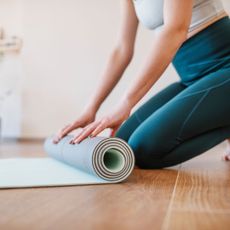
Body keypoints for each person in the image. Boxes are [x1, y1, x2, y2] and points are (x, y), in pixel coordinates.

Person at [53, 0, 230, 169]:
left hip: (225, 68)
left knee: (144, 149)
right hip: (192, 79)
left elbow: (175, 30)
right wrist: (90, 109)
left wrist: (126, 103)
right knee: (123, 142)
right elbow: (122, 50)